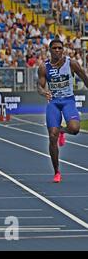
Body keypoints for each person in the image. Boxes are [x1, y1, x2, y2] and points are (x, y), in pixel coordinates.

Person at [37, 39, 88, 183]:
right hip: (53, 103)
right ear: (50, 50)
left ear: (63, 49)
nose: (57, 50)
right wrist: (43, 92)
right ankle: (57, 171)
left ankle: (62, 131)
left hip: (68, 101)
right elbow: (39, 86)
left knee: (74, 128)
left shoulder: (71, 64)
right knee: (52, 136)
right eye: (55, 48)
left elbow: (84, 78)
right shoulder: (44, 67)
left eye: (60, 48)